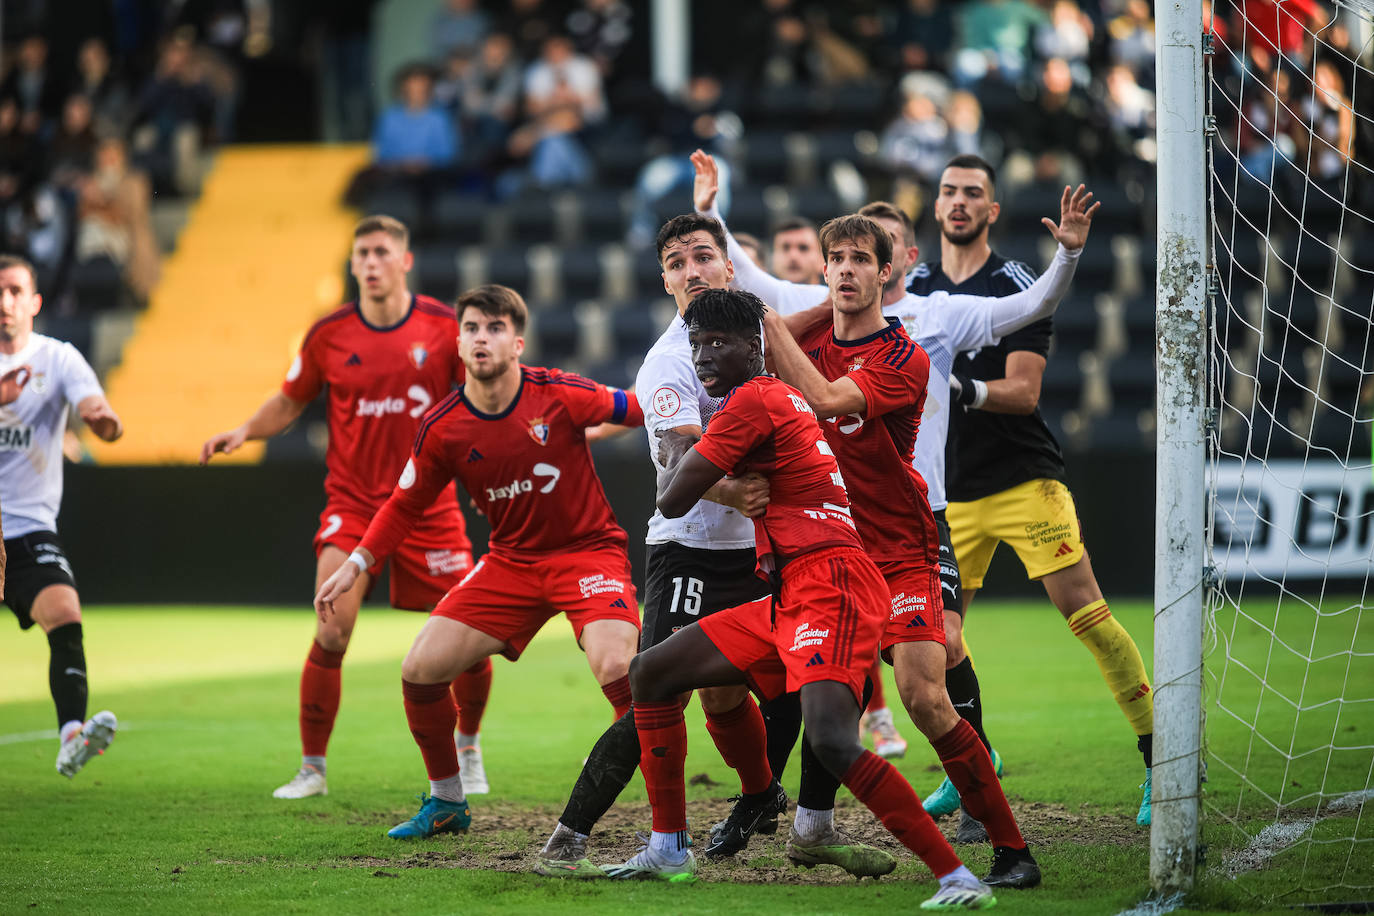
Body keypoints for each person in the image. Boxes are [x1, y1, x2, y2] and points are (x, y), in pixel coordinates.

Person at [695, 149, 1091, 847]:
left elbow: (819, 395)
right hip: (827, 553)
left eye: (860, 258)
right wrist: (711, 221)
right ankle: (805, 820)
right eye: (835, 257)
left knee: (923, 692)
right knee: (816, 687)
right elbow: (756, 295)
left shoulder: (908, 349)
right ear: (824, 268)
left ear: (892, 269)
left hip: (903, 542)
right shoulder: (809, 322)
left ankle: (1002, 838)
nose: (846, 268)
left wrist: (1065, 259)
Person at [608, 287, 996, 911]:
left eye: (719, 343)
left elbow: (672, 498)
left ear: (756, 345)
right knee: (651, 671)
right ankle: (669, 847)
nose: (704, 356)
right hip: (794, 588)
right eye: (697, 344)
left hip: (830, 586)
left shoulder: (755, 400)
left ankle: (957, 876)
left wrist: (708, 463)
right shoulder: (773, 397)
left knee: (836, 740)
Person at [537, 213, 862, 877]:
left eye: (703, 256)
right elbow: (674, 453)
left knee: (781, 690)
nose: (692, 270)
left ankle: (785, 810)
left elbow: (838, 320)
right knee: (660, 687)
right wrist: (732, 492)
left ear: (729, 266)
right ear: (664, 280)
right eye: (678, 262)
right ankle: (574, 832)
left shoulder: (764, 336)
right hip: (688, 551)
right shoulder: (667, 358)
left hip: (767, 551)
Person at [315, 283, 644, 840]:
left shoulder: (561, 393)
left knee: (618, 670)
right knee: (419, 670)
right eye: (471, 328)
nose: (481, 338)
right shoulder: (442, 426)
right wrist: (355, 563)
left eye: (494, 328)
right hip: (510, 563)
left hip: (587, 552)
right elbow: (403, 505)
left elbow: (639, 411)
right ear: (459, 343)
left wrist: (711, 438)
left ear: (517, 343)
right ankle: (447, 802)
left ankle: (667, 813)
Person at [200, 215, 493, 800]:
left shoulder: (442, 328)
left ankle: (468, 744)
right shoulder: (328, 334)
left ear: (405, 261)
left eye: (382, 252)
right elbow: (290, 399)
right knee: (332, 629)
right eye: (362, 254)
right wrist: (245, 432)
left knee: (469, 634)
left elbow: (482, 400)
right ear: (353, 264)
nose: (371, 262)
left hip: (427, 507)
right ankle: (312, 767)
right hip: (354, 504)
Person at [909, 154, 1155, 825]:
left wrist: (963, 388)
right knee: (937, 640)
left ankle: (1161, 761)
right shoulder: (916, 286)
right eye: (949, 192)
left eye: (974, 195)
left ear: (992, 211)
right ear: (935, 207)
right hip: (948, 494)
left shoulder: (1015, 281)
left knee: (1089, 618)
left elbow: (1025, 392)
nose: (959, 203)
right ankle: (970, 764)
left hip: (1023, 480)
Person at [0, 254, 124, 778]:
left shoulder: (59, 358)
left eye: (13, 291)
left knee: (66, 615)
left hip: (28, 527)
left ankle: (71, 735)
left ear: (35, 302)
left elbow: (95, 406)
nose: (4, 304)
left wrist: (102, 419)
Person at [769, 216, 824, 285]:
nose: (793, 256)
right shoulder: (758, 294)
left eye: (803, 248)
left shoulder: (838, 295)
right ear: (773, 257)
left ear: (822, 259)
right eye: (785, 248)